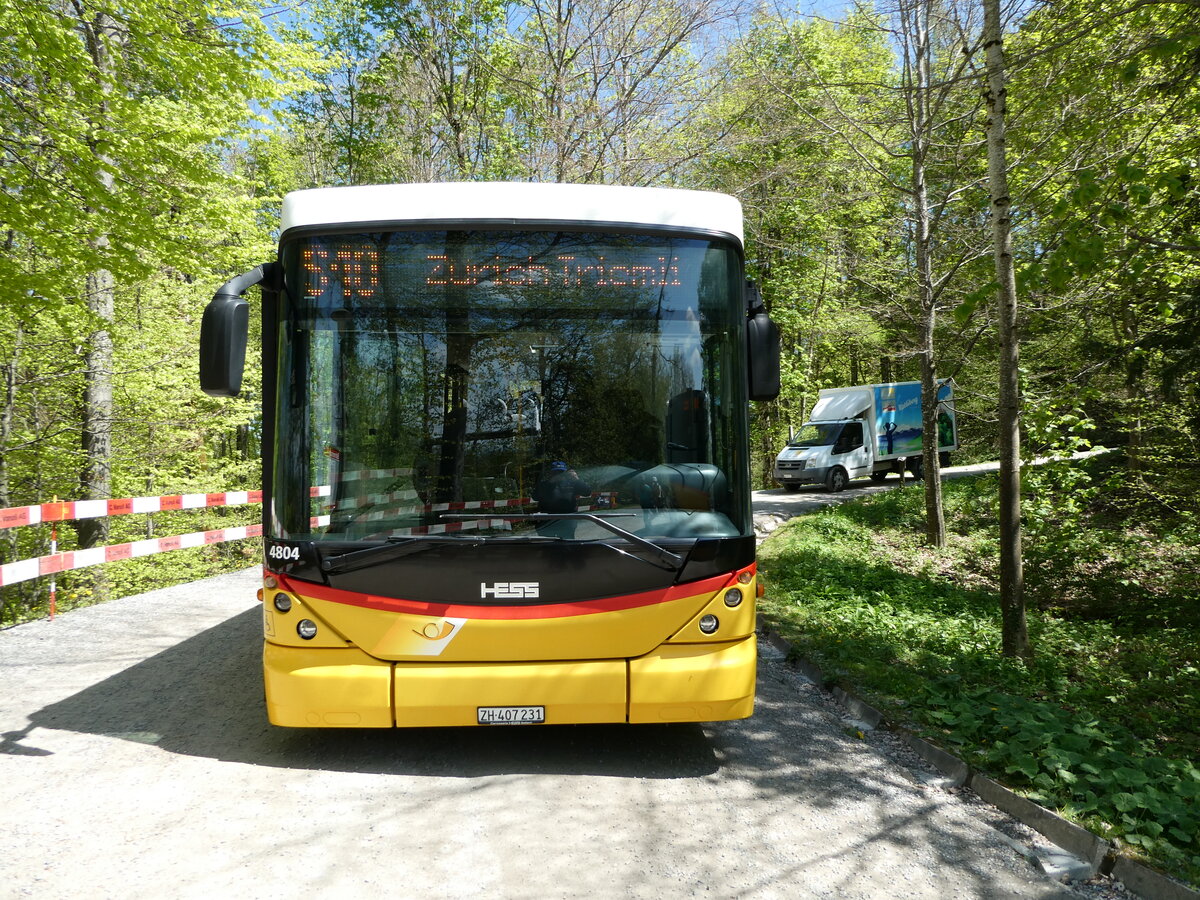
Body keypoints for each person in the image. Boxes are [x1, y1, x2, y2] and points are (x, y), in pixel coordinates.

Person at [533, 461, 592, 537]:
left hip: (567, 520)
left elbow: (587, 492)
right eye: (555, 472)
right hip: (547, 521)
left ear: (566, 473)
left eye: (561, 472)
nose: (558, 474)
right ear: (550, 473)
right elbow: (535, 497)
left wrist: (577, 479)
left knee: (567, 546)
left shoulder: (572, 483)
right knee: (547, 546)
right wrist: (550, 483)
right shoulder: (544, 484)